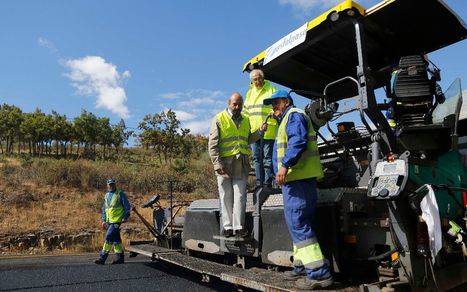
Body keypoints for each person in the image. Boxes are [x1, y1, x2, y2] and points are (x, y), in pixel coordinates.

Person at [263, 90, 333, 290]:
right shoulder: (289, 118)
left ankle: (319, 274)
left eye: (276, 103)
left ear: (285, 101)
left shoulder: (293, 116)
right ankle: (301, 266)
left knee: (298, 222)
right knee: (299, 224)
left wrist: (284, 165)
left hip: (298, 180)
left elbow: (298, 142)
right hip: (299, 181)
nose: (273, 108)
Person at [208, 92, 265, 238]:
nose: (237, 106)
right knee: (225, 196)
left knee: (240, 196)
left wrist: (259, 132)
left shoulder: (246, 119)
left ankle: (239, 227)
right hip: (224, 164)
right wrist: (216, 164)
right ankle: (227, 227)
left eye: (240, 104)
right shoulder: (219, 118)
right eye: (235, 104)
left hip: (242, 163)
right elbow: (212, 144)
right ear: (229, 103)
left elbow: (247, 139)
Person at [244, 69, 277, 187]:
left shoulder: (271, 89)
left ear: (263, 78)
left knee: (267, 158)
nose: (257, 81)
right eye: (254, 80)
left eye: (259, 79)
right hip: (254, 131)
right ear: (251, 81)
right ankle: (259, 183)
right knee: (256, 158)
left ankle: (268, 183)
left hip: (268, 129)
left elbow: (277, 105)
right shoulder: (249, 93)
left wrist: (274, 112)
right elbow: (246, 112)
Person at [94, 179, 131, 265]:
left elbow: (127, 206)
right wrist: (103, 220)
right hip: (109, 221)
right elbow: (105, 209)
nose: (111, 186)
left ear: (115, 185)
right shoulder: (106, 195)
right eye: (109, 185)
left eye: (112, 184)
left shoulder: (120, 193)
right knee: (116, 240)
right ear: (107, 185)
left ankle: (102, 258)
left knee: (108, 236)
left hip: (117, 221)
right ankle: (120, 258)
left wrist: (125, 216)